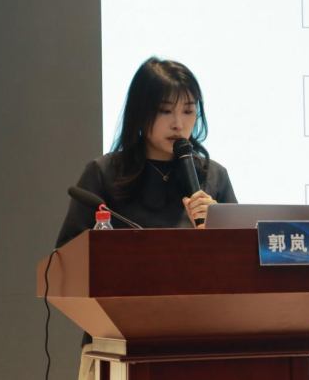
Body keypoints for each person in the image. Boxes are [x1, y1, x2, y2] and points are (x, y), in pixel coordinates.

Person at [55, 57, 237, 380]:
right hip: (116, 341)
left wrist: (217, 228)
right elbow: (65, 259)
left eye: (188, 111)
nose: (179, 124)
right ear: (141, 112)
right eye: (166, 111)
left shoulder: (212, 177)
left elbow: (241, 263)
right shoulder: (105, 174)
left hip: (200, 339)